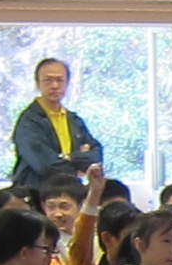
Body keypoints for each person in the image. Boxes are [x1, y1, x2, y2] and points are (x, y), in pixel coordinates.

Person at [6, 52, 104, 188]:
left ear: (67, 83)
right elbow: (45, 165)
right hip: (35, 193)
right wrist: (77, 160)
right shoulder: (29, 120)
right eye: (48, 80)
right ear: (38, 83)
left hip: (70, 191)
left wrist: (68, 157)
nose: (54, 85)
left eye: (60, 80)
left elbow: (95, 156)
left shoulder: (74, 120)